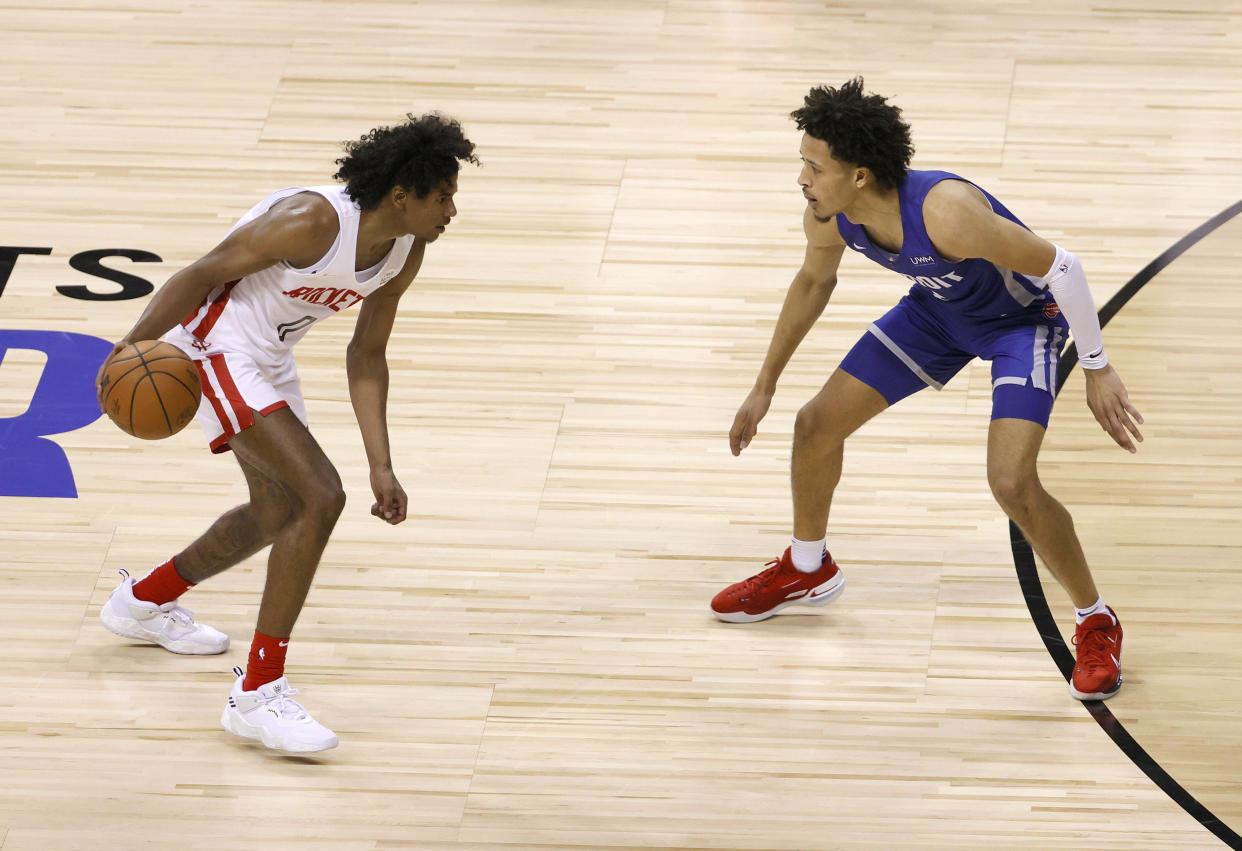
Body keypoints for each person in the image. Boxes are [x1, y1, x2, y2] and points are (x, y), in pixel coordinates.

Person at [710, 78, 1143, 702]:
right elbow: (813, 282)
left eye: (813, 165)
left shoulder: (946, 212)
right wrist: (763, 386)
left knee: (1011, 483)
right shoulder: (828, 216)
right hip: (937, 316)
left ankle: (1095, 620)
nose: (801, 178)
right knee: (814, 426)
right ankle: (808, 569)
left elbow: (1063, 267)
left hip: (1022, 325)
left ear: (859, 175)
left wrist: (1098, 367)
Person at [95, 112, 478, 751]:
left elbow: (367, 355)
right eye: (443, 197)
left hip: (269, 356)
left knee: (277, 510)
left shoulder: (406, 249)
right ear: (402, 195)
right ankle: (257, 693)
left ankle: (141, 602)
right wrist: (127, 351)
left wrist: (381, 465)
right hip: (212, 344)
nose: (452, 211)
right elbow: (199, 274)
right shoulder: (313, 221)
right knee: (320, 498)